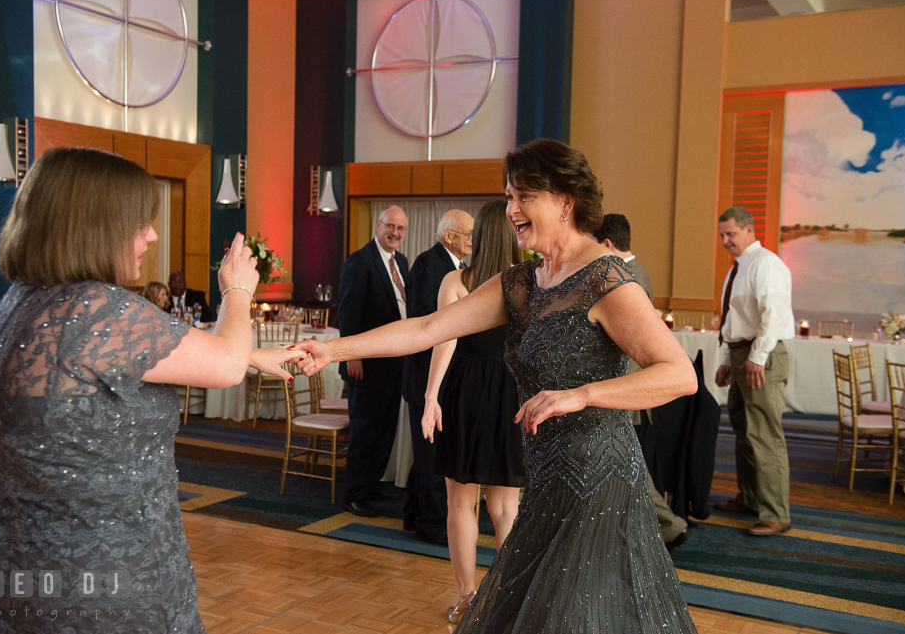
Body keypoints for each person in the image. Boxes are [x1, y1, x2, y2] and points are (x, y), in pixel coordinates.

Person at [294, 139, 699, 632]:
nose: (511, 210)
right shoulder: (522, 283)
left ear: (564, 201)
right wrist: (333, 350)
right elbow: (426, 329)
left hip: (601, 477)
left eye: (523, 196)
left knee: (576, 615)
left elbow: (680, 375)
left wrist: (582, 394)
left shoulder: (605, 280)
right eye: (508, 197)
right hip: (546, 475)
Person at [0, 147, 301, 633]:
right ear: (93, 226)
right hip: (107, 583)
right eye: (139, 223)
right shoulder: (100, 309)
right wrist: (237, 291)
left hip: (19, 570)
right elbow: (227, 366)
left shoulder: (16, 308)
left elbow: (90, 371)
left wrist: (252, 354)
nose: (150, 235)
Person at [420, 199, 525, 623]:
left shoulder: (458, 279)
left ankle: (467, 599)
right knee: (506, 508)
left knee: (461, 503)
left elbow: (443, 339)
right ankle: (508, 603)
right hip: (512, 392)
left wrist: (431, 396)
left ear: (478, 237)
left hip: (466, 391)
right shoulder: (529, 283)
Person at [593, 213, 691, 550]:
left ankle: (667, 525)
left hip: (627, 382)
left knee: (626, 460)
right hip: (628, 382)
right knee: (625, 459)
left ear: (606, 244)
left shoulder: (625, 276)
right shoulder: (635, 270)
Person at [714, 206, 794, 536]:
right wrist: (724, 359)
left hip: (762, 354)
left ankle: (776, 513)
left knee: (764, 433)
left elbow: (772, 318)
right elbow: (732, 320)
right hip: (741, 353)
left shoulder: (765, 264)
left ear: (750, 230)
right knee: (745, 431)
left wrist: (757, 358)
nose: (725, 240)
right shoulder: (740, 267)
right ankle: (750, 498)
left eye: (731, 234)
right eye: (721, 235)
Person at [402, 209, 474, 545]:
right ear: (449, 236)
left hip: (440, 374)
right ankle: (430, 524)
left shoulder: (454, 267)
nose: (473, 240)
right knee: (430, 454)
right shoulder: (430, 265)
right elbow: (424, 322)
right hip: (425, 376)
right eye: (467, 233)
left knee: (427, 451)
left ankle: (413, 513)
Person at [336, 205, 410, 517]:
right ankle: (354, 494)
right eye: (390, 226)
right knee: (365, 431)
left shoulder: (401, 262)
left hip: (393, 364)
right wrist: (353, 355)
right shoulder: (360, 261)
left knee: (384, 429)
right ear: (378, 225)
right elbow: (348, 311)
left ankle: (371, 483)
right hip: (364, 364)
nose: (395, 233)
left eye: (400, 229)